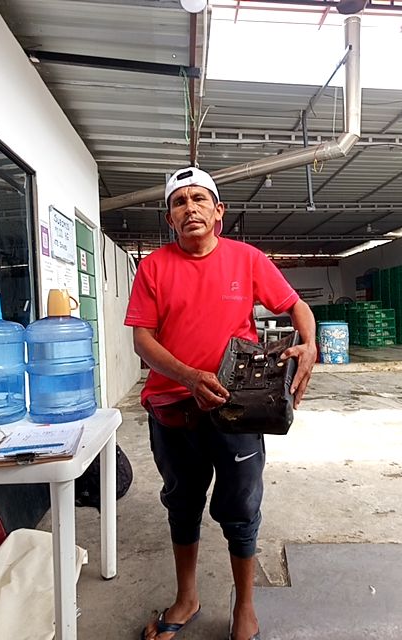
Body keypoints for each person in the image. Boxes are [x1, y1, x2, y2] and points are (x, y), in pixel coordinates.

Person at [125, 167, 317, 640]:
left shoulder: (246, 259)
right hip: (173, 408)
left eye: (199, 199)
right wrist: (189, 377)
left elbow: (296, 306)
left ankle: (245, 605)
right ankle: (187, 598)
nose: (190, 207)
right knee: (182, 502)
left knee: (241, 508)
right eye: (179, 201)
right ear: (169, 218)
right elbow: (143, 340)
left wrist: (309, 344)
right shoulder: (153, 267)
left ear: (218, 212)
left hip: (237, 408)